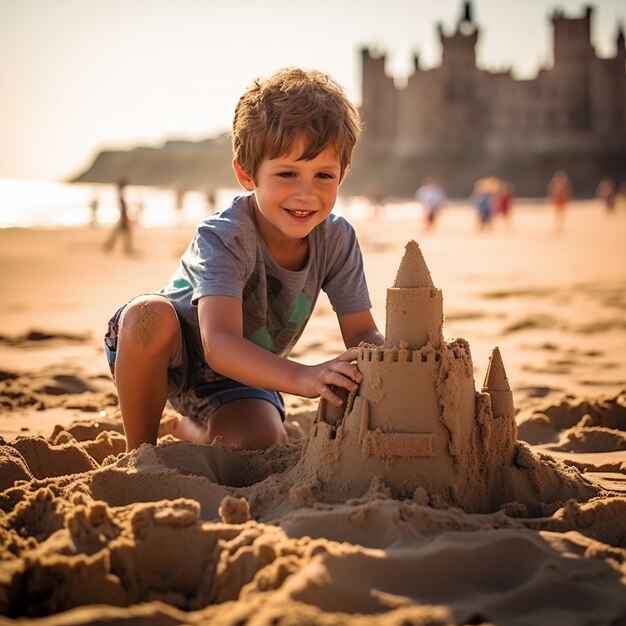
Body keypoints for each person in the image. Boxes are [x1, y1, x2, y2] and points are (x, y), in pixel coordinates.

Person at [104, 68, 384, 452]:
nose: (306, 193)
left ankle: (191, 432)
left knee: (259, 443)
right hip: (166, 357)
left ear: (343, 174)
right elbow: (218, 343)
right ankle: (140, 452)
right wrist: (306, 377)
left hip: (243, 374)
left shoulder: (337, 240)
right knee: (147, 314)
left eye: (323, 175)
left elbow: (362, 333)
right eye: (287, 173)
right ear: (246, 174)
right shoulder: (225, 235)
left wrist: (398, 359)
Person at [103, 179, 134, 255]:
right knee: (125, 234)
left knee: (117, 234)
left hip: (123, 219)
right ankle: (127, 249)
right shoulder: (121, 196)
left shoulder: (120, 195)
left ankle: (109, 246)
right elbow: (122, 209)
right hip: (123, 219)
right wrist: (124, 219)